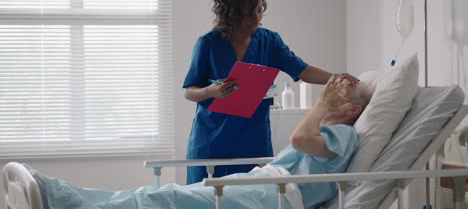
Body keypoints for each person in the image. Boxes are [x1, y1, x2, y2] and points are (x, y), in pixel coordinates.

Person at [29, 76, 371, 209]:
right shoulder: (326, 128)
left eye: (334, 94)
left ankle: (55, 201)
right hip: (260, 185)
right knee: (150, 195)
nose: (326, 96)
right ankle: (56, 194)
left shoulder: (344, 134)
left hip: (272, 198)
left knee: (166, 197)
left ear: (353, 109)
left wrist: (322, 105)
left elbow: (299, 139)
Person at [183, 0, 359, 184]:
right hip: (211, 142)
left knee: (254, 198)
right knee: (206, 200)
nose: (256, 18)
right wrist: (210, 91)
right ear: (230, 13)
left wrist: (336, 78)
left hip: (253, 141)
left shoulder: (269, 41)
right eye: (248, 13)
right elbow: (190, 91)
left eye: (259, 10)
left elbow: (303, 70)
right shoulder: (208, 44)